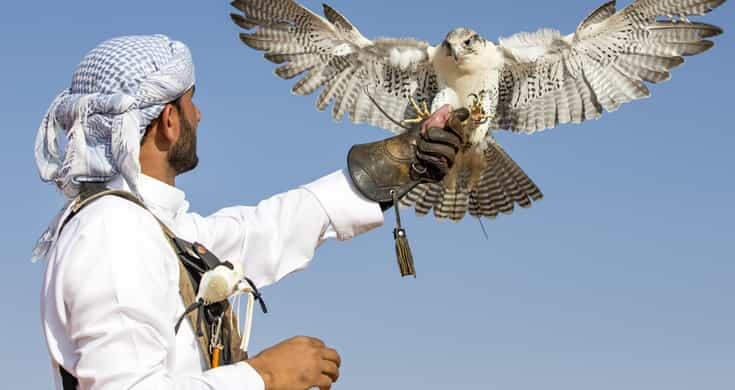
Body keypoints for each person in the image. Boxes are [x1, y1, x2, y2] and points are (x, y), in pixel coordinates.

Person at [33, 35, 466, 389]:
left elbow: (260, 232)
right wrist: (265, 375)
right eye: (190, 103)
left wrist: (400, 160)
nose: (198, 116)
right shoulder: (112, 232)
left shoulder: (150, 227)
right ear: (168, 120)